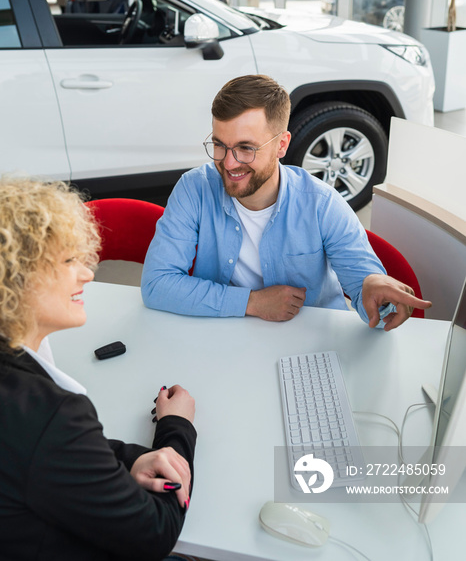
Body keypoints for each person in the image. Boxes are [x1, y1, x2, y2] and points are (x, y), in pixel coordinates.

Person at [0, 177, 196, 561]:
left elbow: (37, 453)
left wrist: (128, 459)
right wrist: (178, 431)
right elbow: (154, 534)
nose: (88, 273)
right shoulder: (53, 414)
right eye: (68, 261)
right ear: (17, 277)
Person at [141, 74, 431, 331]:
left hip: (310, 343)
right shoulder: (194, 189)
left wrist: (372, 287)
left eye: (245, 148)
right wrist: (251, 303)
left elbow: (365, 284)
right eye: (219, 145)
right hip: (226, 333)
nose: (229, 163)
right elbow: (156, 285)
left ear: (282, 145)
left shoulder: (322, 203)